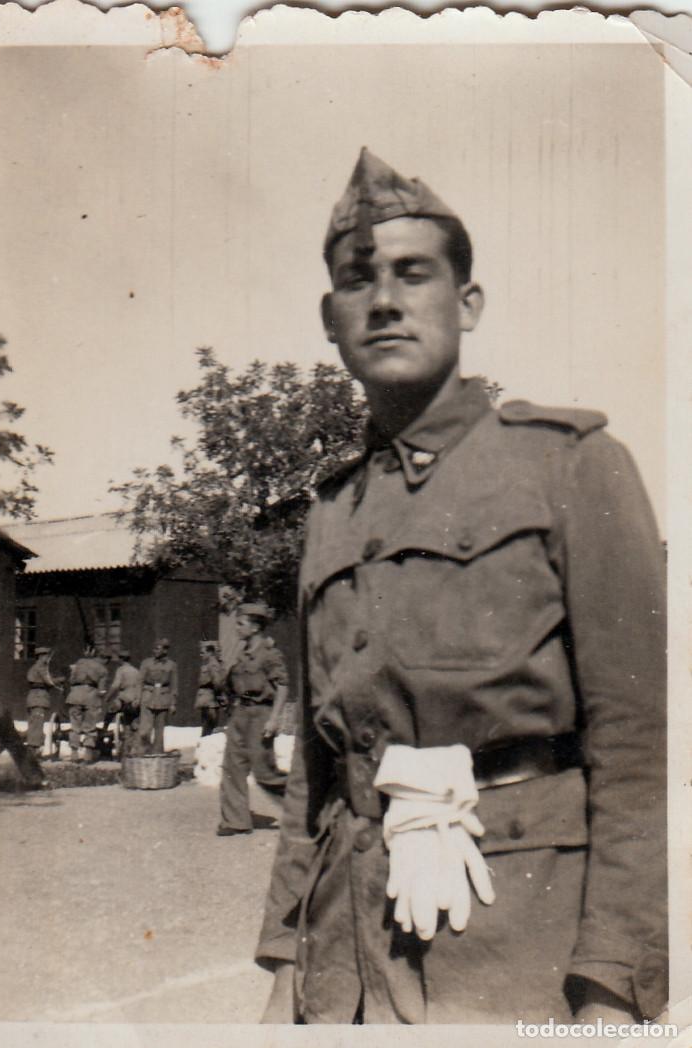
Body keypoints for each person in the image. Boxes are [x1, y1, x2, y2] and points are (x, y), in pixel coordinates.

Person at [256, 149, 667, 1025]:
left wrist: (613, 983)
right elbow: (317, 776)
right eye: (358, 281)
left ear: (467, 302)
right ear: (331, 319)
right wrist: (287, 955)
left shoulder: (568, 466)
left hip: (522, 937)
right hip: (347, 943)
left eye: (415, 274)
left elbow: (640, 749)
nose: (387, 300)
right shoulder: (330, 511)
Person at [216, 603, 290, 837]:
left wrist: (275, 718)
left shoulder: (270, 655)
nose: (236, 628)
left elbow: (283, 686)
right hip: (241, 713)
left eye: (241, 624)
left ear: (256, 627)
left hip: (261, 714)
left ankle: (304, 805)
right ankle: (235, 820)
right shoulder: (242, 655)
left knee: (264, 772)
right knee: (232, 767)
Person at [66, 642, 109, 763]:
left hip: (74, 696)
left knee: (75, 725)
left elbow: (71, 680)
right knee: (90, 726)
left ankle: (74, 754)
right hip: (91, 696)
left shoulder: (77, 664)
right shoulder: (102, 669)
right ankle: (88, 755)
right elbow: (101, 690)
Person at [137, 638, 178, 754]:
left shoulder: (172, 665)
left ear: (165, 651)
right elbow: (140, 681)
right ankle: (144, 753)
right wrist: (137, 698)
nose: (154, 651)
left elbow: (174, 685)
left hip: (163, 698)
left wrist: (173, 703)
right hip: (148, 696)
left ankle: (157, 756)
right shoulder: (146, 663)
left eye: (157, 648)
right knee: (144, 730)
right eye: (154, 648)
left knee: (160, 732)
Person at [24, 646, 63, 760]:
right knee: (37, 726)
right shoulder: (41, 666)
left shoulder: (34, 667)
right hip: (39, 698)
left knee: (33, 726)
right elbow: (49, 682)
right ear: (41, 656)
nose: (48, 658)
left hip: (33, 698)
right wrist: (61, 680)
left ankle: (33, 753)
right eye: (46, 656)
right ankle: (34, 755)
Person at [105, 648, 141, 756]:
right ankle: (133, 749)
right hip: (135, 701)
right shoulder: (136, 671)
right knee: (132, 724)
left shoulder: (121, 670)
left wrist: (107, 697)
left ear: (121, 659)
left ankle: (104, 729)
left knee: (111, 709)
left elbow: (116, 685)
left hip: (124, 700)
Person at [194, 641, 227, 737]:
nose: (201, 655)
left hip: (211, 701)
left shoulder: (213, 664)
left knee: (208, 728)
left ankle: (206, 749)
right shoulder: (208, 663)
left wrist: (221, 700)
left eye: (203, 653)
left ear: (209, 652)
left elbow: (217, 683)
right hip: (207, 701)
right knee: (206, 727)